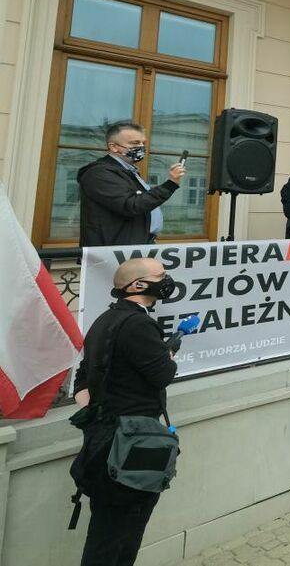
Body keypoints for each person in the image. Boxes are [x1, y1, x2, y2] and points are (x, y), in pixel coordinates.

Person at [71, 257, 180, 566]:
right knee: (121, 532)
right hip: (131, 445)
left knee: (108, 528)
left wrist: (99, 409)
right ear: (138, 285)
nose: (166, 279)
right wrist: (168, 356)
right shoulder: (139, 324)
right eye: (160, 275)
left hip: (104, 439)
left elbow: (84, 378)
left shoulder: (105, 319)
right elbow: (162, 375)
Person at [77, 121, 184, 249]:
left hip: (136, 246)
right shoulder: (99, 173)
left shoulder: (128, 171)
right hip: (114, 253)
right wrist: (170, 184)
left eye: (143, 143)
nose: (141, 147)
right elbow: (131, 205)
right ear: (114, 147)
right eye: (134, 143)